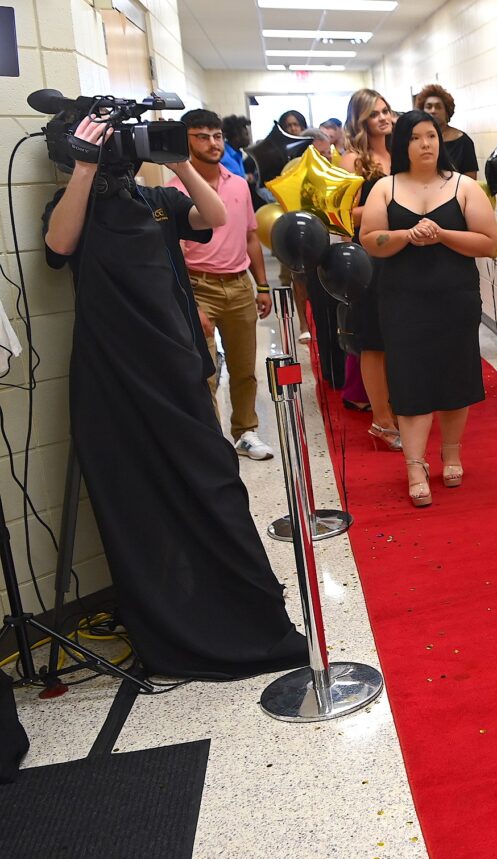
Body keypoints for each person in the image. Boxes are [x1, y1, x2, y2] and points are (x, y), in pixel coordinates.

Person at [42, 114, 304, 679]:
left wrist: (179, 160)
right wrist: (85, 169)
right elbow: (60, 244)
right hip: (111, 368)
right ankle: (170, 616)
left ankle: (243, 612)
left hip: (174, 361)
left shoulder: (157, 199)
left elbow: (216, 216)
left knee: (211, 480)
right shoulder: (75, 203)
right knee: (134, 490)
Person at [360, 110, 497, 507]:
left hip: (454, 297)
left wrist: (440, 234)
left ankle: (451, 452)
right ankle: (414, 465)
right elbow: (370, 240)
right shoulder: (385, 187)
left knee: (456, 376)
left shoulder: (463, 187)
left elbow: (488, 242)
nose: (426, 144)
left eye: (432, 136)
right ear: (402, 143)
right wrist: (406, 233)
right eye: (417, 137)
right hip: (402, 298)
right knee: (409, 378)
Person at [174, 109, 275, 460]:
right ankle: (212, 443)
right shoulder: (175, 190)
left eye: (216, 135)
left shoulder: (237, 183)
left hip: (239, 284)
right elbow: (172, 254)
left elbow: (251, 237)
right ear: (185, 141)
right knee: (206, 373)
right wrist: (192, 303)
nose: (213, 143)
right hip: (198, 286)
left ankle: (246, 432)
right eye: (202, 136)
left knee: (244, 368)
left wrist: (262, 285)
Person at [340, 88, 400, 450]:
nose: (383, 118)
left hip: (404, 254)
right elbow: (345, 214)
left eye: (386, 110)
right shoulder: (353, 161)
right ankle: (381, 420)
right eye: (374, 113)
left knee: (400, 337)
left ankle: (396, 408)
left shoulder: (399, 154)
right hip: (369, 257)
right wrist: (388, 205)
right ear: (360, 120)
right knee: (374, 342)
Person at [413, 84, 477, 175]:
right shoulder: (414, 139)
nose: (433, 111)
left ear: (447, 112)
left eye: (438, 107)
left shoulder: (463, 142)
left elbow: (471, 179)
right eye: (428, 106)